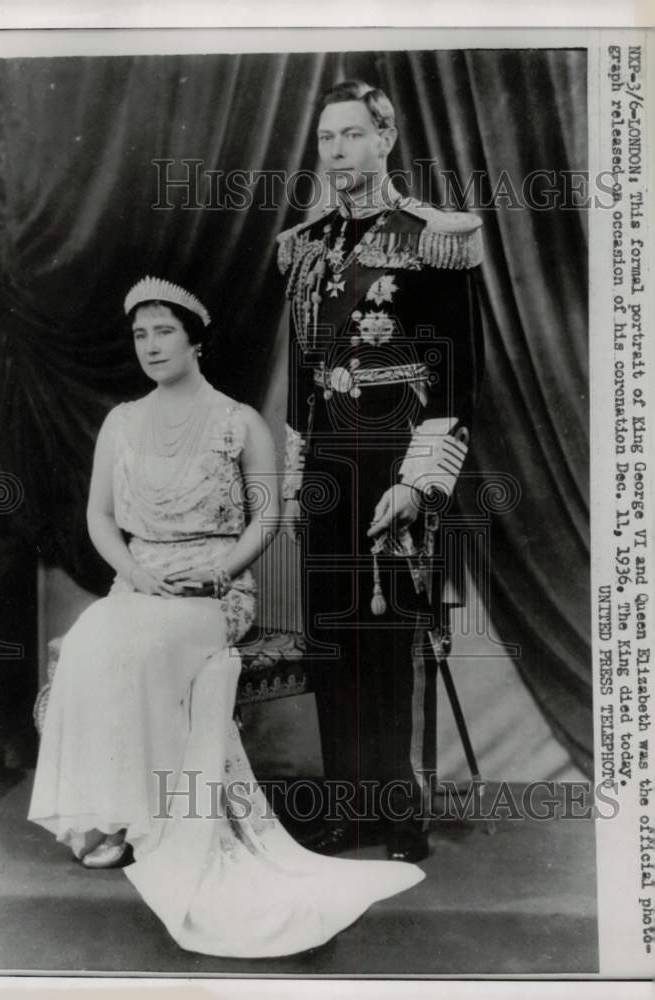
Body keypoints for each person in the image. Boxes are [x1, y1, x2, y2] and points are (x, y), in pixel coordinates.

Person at [28, 275, 425, 957]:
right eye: (140, 335)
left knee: (148, 649)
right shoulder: (122, 420)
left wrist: (217, 570)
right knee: (95, 636)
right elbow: (97, 516)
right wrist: (133, 572)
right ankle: (114, 816)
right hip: (141, 581)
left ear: (195, 341)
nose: (150, 346)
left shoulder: (237, 420)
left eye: (164, 332)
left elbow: (266, 516)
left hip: (217, 590)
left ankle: (157, 819)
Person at [277, 80, 485, 862]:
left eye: (353, 135)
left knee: (387, 634)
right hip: (328, 456)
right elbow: (303, 374)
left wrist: (417, 480)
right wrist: (297, 475)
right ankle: (344, 811)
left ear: (385, 139)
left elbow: (458, 374)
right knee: (332, 635)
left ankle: (397, 818)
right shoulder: (304, 246)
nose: (337, 152)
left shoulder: (431, 237)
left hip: (393, 455)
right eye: (327, 138)